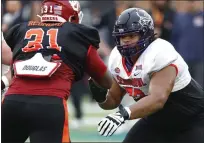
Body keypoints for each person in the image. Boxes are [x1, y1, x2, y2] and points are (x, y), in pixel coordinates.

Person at [1, 0, 112, 143]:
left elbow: (13, 66)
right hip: (50, 105)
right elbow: (106, 81)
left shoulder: (22, 30)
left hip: (12, 103)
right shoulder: (78, 35)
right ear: (71, 16)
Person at [89, 8, 204, 143]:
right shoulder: (116, 58)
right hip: (156, 121)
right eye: (122, 37)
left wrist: (123, 114)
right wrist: (100, 96)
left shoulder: (160, 52)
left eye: (131, 36)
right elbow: (113, 100)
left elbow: (158, 99)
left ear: (146, 35)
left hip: (191, 120)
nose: (125, 41)